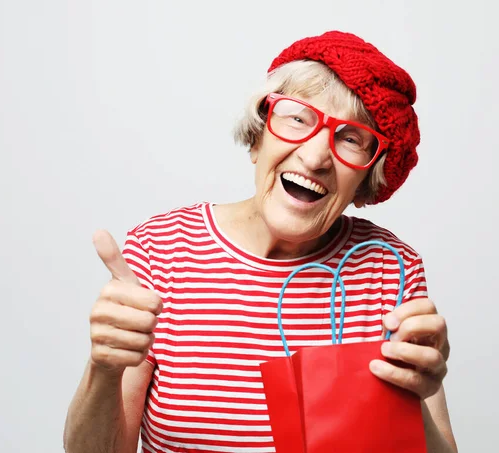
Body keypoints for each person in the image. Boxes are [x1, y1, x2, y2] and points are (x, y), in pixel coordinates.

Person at [64, 30, 457, 453]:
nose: (315, 157)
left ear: (366, 178)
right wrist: (103, 368)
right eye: (298, 118)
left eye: (350, 138)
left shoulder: (390, 271)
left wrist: (411, 397)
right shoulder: (160, 251)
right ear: (257, 137)